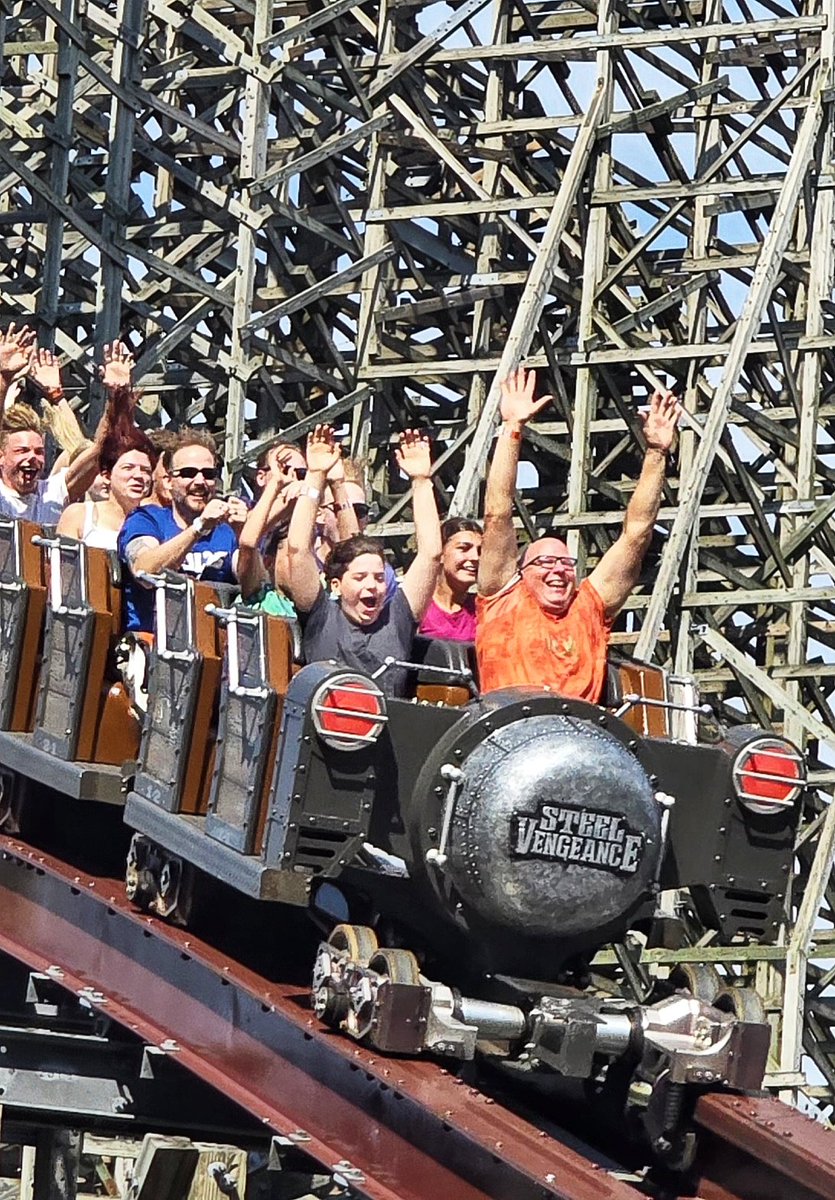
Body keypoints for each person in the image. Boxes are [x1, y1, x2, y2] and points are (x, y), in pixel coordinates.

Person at [476, 367, 679, 701]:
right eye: (544, 562)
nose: (557, 570)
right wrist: (512, 428)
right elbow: (497, 514)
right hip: (514, 736)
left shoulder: (589, 606)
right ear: (521, 573)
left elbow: (637, 534)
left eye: (565, 562)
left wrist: (657, 452)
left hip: (580, 740)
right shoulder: (502, 598)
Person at [287, 424, 441, 698]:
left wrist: (420, 480)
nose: (372, 586)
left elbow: (431, 553)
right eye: (360, 577)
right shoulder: (322, 615)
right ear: (336, 585)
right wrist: (315, 476)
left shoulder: (398, 616)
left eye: (379, 577)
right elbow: (298, 549)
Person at [118, 429, 240, 632]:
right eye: (188, 473)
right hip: (151, 645)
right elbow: (144, 571)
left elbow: (255, 588)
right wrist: (199, 528)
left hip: (213, 644)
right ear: (168, 481)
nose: (200, 481)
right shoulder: (146, 519)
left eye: (208, 474)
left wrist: (247, 538)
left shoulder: (225, 533)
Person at [419, 517, 482, 642]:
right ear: (441, 554)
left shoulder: (482, 609)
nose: (475, 557)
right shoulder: (421, 608)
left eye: (480, 551)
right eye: (463, 548)